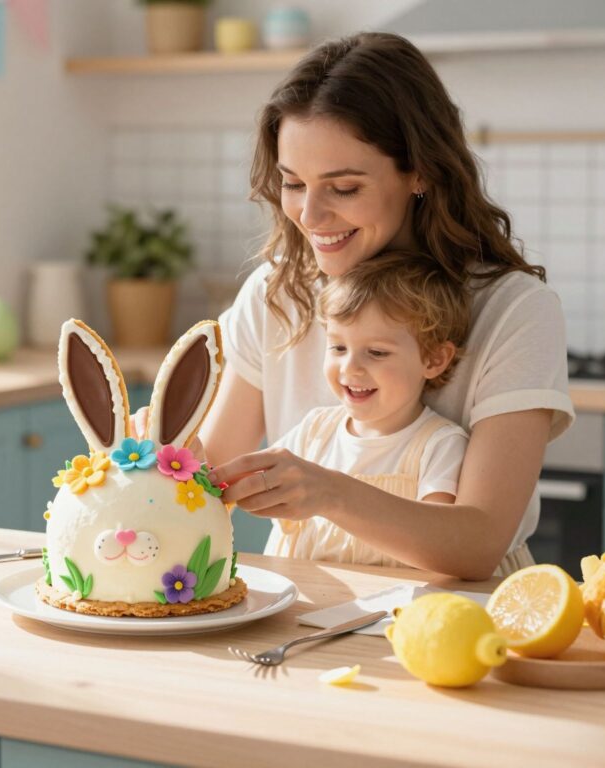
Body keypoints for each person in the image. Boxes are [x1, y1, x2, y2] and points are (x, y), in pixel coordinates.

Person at [201, 32, 575, 580]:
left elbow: (477, 543)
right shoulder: (277, 293)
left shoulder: (513, 310)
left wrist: (330, 492)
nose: (309, 215)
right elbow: (210, 475)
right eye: (293, 183)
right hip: (311, 606)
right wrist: (158, 465)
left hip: (460, 615)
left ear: (419, 171)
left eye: (344, 188)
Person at [266, 251, 471, 565]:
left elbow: (438, 548)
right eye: (338, 347)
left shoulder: (439, 445)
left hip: (392, 612)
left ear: (433, 359)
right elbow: (257, 480)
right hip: (303, 607)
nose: (351, 367)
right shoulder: (314, 431)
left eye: (376, 352)